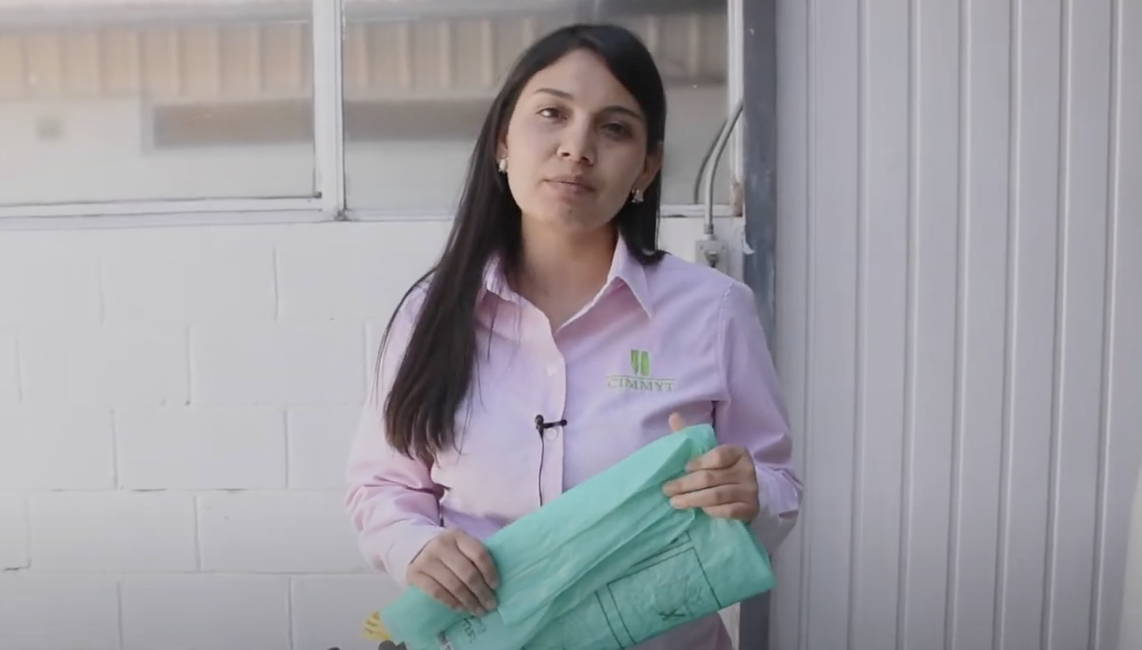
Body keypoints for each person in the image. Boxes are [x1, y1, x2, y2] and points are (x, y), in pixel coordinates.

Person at [345, 22, 802, 650]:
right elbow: (382, 484)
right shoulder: (430, 313)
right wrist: (415, 546)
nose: (577, 147)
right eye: (551, 114)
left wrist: (750, 494)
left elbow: (776, 482)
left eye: (614, 128)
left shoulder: (715, 311)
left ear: (648, 166)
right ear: (503, 139)